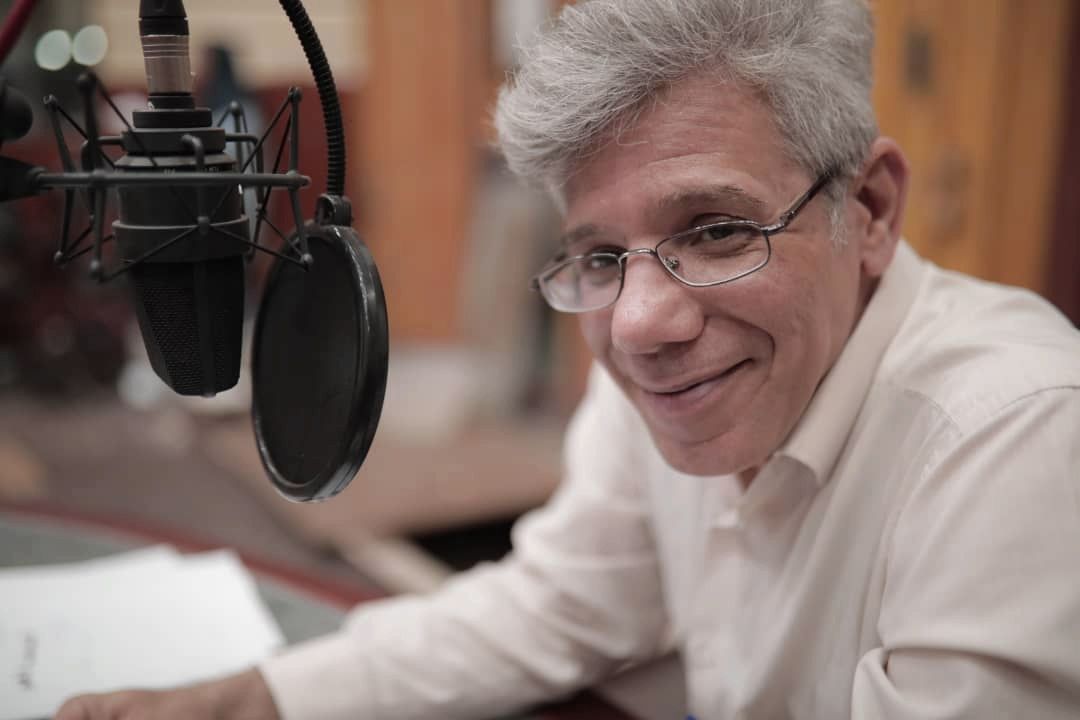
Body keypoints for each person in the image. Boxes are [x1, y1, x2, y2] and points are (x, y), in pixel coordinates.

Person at [56, 0, 1080, 718]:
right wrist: (248, 699)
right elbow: (555, 606)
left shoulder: (1019, 437)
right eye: (597, 255)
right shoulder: (675, 375)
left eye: (718, 230)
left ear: (872, 210)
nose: (638, 326)